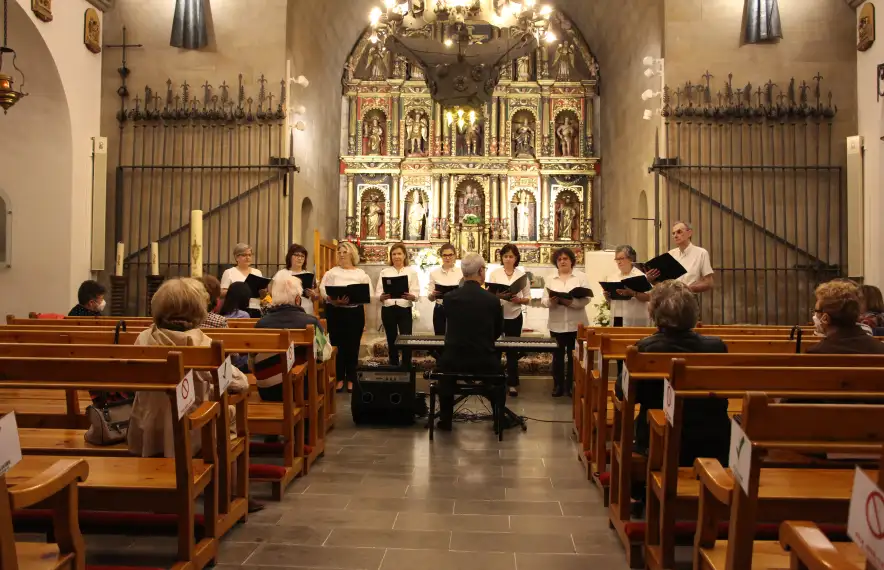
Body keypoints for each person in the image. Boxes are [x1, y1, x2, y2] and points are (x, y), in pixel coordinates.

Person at [630, 281, 729, 510]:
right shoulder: (716, 347)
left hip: (661, 435)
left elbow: (628, 395)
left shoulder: (646, 348)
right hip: (712, 435)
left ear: (654, 312)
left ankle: (640, 490)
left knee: (649, 417)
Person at [128, 278, 249, 458]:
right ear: (198, 308)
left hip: (149, 429)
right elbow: (240, 383)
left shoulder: (144, 339)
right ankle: (225, 481)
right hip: (194, 431)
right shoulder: (203, 343)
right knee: (229, 414)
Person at [437, 253, 504, 431]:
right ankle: (499, 418)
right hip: (483, 359)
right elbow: (497, 332)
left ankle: (445, 420)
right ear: (481, 271)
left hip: (454, 359)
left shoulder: (449, 298)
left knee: (445, 372)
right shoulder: (492, 300)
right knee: (498, 376)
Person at [253, 273, 325, 401]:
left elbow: (252, 360)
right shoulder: (311, 322)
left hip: (267, 391)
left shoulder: (261, 324)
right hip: (300, 389)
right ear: (298, 299)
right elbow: (322, 354)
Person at [320, 241, 373, 392]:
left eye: (345, 252)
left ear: (352, 254)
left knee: (352, 346)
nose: (342, 255)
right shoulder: (331, 272)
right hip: (336, 312)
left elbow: (369, 293)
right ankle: (339, 378)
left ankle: (351, 378)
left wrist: (357, 296)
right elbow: (323, 290)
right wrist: (333, 299)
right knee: (338, 345)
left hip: (354, 312)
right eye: (339, 252)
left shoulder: (360, 274)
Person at [541, 247, 590, 398]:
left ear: (572, 261)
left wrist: (570, 303)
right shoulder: (550, 279)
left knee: (574, 356)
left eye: (565, 259)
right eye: (559, 259)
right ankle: (558, 386)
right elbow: (543, 301)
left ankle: (571, 386)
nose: (562, 261)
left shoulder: (581, 277)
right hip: (557, 324)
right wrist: (552, 301)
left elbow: (587, 298)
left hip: (576, 323)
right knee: (558, 357)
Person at [488, 244, 531, 397]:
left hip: (514, 314)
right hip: (497, 315)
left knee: (512, 351)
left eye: (511, 256)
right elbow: (489, 295)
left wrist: (519, 300)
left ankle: (512, 383)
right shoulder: (495, 273)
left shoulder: (521, 275)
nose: (508, 259)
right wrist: (497, 296)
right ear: (501, 257)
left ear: (516, 258)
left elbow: (528, 298)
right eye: (505, 256)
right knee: (495, 350)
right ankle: (495, 380)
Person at [808, 280, 884, 354]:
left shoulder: (816, 352)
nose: (814, 314)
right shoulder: (880, 349)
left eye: (816, 311)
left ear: (825, 319)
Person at [376, 243, 420, 366]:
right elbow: (378, 291)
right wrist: (381, 296)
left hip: (404, 308)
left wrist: (412, 296)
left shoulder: (411, 272)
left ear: (404, 255)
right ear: (391, 256)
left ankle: (406, 363)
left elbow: (416, 291)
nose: (396, 256)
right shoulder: (385, 272)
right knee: (391, 337)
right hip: (388, 308)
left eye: (399, 253)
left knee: (406, 338)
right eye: (394, 254)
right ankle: (393, 363)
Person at [648, 221, 714, 294]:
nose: (675, 236)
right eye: (673, 233)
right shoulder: (670, 254)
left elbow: (708, 282)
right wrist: (652, 280)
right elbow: (663, 284)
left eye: (679, 232)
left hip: (689, 297)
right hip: (669, 298)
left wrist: (687, 288)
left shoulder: (701, 253)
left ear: (689, 233)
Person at [604, 245, 651, 327]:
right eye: (617, 259)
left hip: (636, 318)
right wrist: (607, 297)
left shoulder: (641, 276)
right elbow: (610, 303)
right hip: (617, 317)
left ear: (631, 259)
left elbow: (649, 297)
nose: (618, 262)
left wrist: (633, 293)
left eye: (621, 258)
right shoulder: (612, 277)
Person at [427, 243, 463, 336]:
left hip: (457, 308)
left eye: (450, 255)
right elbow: (430, 298)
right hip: (440, 308)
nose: (448, 258)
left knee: (456, 336)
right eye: (445, 255)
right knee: (439, 336)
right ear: (441, 256)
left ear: (455, 256)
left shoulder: (461, 272)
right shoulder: (434, 273)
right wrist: (433, 294)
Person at [276, 243, 320, 315]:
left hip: (306, 310)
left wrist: (313, 294)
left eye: (302, 256)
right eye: (297, 255)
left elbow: (317, 297)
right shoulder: (281, 273)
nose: (300, 258)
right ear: (290, 256)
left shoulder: (309, 275)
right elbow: (274, 293)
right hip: (286, 310)